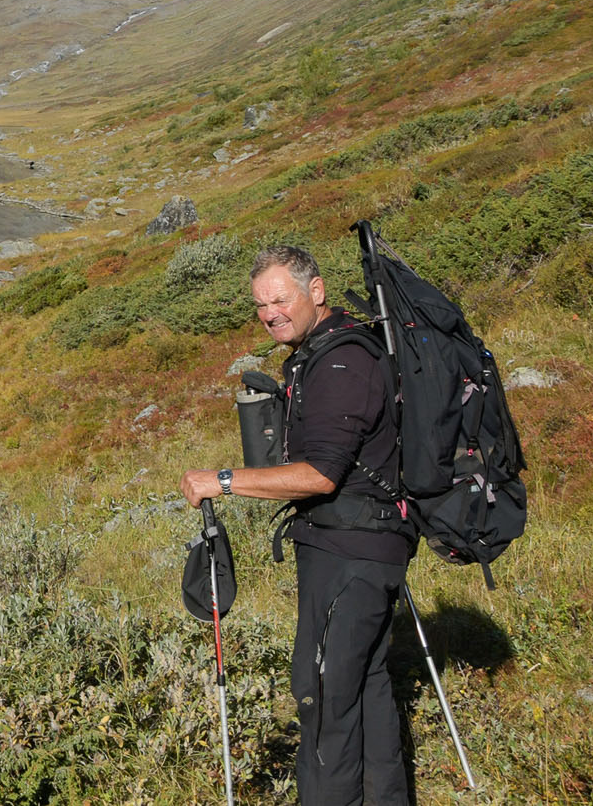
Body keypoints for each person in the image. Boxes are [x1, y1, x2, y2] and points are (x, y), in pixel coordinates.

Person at [180, 245, 416, 806]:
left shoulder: (339, 363)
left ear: (316, 291)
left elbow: (320, 476)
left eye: (280, 298)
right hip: (363, 549)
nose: (270, 313)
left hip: (351, 556)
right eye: (261, 304)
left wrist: (224, 480)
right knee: (365, 689)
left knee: (322, 693)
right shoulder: (329, 353)